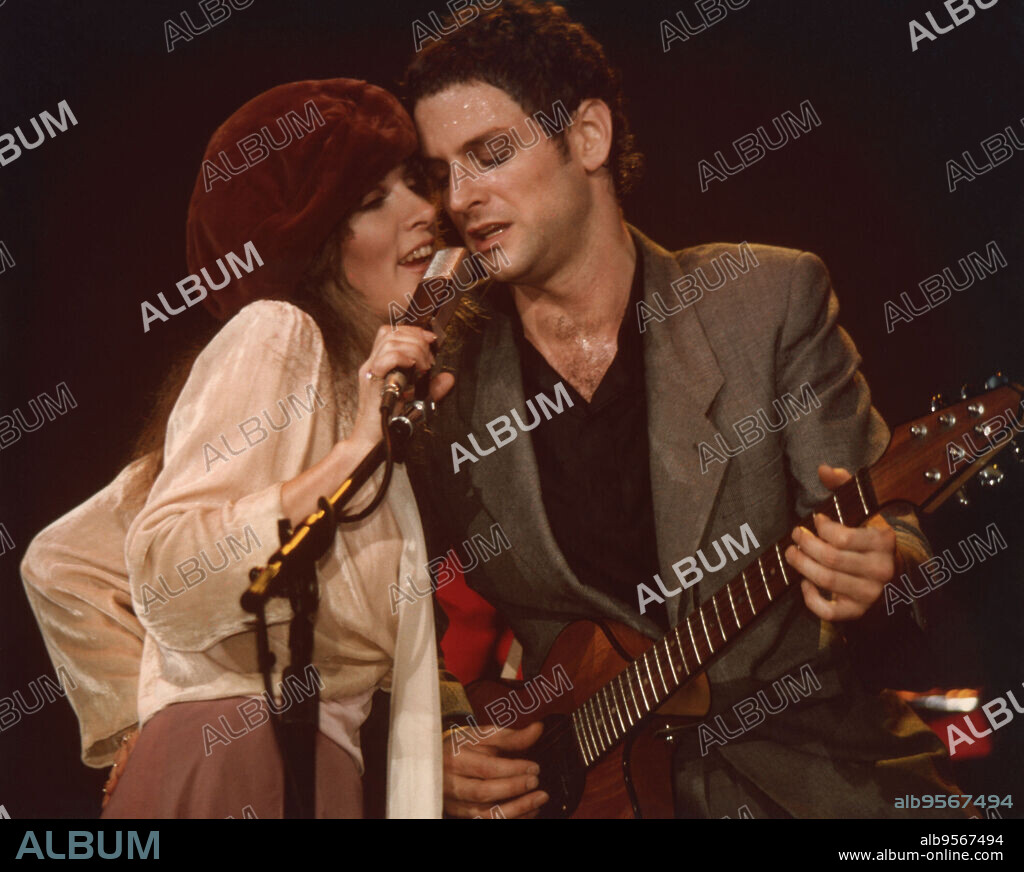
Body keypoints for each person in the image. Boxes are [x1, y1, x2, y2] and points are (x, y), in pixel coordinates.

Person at [401, 0, 968, 819]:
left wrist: (885, 570)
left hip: (809, 771)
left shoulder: (766, 299)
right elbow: (380, 607)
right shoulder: (442, 381)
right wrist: (442, 740)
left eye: (489, 153)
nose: (461, 197)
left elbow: (890, 533)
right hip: (583, 797)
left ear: (587, 136)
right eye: (440, 170)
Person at [21, 77, 454, 818]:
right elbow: (172, 571)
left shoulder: (346, 378)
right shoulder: (280, 334)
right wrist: (164, 720)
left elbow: (61, 561)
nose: (426, 212)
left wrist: (148, 714)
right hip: (248, 759)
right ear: (313, 240)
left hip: (294, 765)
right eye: (372, 200)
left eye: (414, 185)